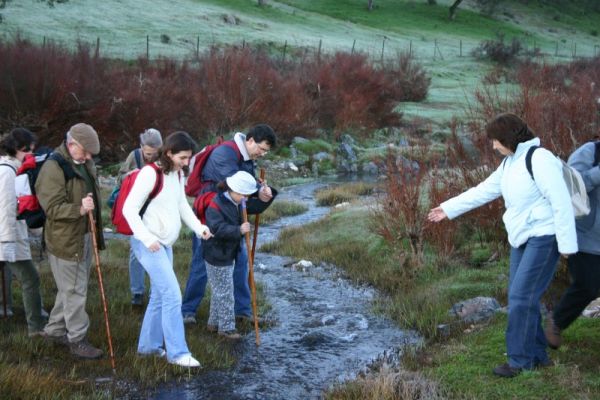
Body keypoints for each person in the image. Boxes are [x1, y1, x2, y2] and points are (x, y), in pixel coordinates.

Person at [427, 113, 577, 378]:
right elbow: (483, 190)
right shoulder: (510, 163)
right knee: (522, 297)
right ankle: (538, 356)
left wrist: (566, 244)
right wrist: (447, 209)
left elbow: (561, 201)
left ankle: (519, 361)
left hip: (544, 237)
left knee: (520, 298)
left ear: (510, 138)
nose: (493, 146)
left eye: (496, 140)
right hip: (522, 237)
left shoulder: (540, 159)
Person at [123, 131, 212, 368]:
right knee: (173, 294)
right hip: (148, 244)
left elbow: (182, 205)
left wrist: (199, 227)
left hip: (165, 244)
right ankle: (178, 353)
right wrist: (146, 237)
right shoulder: (149, 174)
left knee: (160, 297)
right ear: (169, 152)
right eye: (182, 157)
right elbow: (129, 210)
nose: (186, 162)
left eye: (188, 158)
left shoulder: (178, 174)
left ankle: (148, 348)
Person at [181, 124, 277, 325]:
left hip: (233, 216)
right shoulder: (225, 152)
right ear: (250, 140)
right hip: (210, 215)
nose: (262, 154)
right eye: (261, 149)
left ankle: (242, 311)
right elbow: (234, 182)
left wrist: (262, 189)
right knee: (201, 263)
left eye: (266, 152)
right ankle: (187, 311)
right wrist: (258, 190)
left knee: (241, 262)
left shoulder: (248, 157)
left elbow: (247, 185)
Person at [36, 123, 105, 359]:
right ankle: (77, 340)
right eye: (84, 151)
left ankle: (55, 330)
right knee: (75, 290)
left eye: (90, 154)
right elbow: (52, 209)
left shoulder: (85, 163)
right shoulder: (53, 168)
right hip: (65, 240)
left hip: (84, 235)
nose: (88, 157)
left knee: (70, 287)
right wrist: (79, 209)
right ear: (71, 143)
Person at [545, 140, 600, 349]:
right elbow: (572, 187)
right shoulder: (590, 152)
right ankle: (556, 321)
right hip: (587, 236)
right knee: (588, 285)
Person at [0, 128, 46, 335]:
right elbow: (7, 208)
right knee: (30, 278)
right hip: (7, 236)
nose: (32, 155)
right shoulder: (7, 172)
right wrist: (8, 242)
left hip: (9, 234)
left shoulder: (13, 169)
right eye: (29, 151)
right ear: (18, 149)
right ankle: (36, 328)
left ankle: (7, 310)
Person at [203, 171, 258, 340]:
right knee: (225, 292)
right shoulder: (216, 204)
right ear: (233, 190)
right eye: (244, 195)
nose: (246, 199)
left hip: (228, 253)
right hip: (216, 254)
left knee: (219, 290)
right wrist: (239, 230)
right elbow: (216, 228)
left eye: (248, 196)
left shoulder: (237, 203)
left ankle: (213, 323)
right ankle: (226, 329)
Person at [118, 128, 163, 306]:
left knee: (157, 251)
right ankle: (137, 293)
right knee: (136, 253)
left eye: (154, 153)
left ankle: (155, 293)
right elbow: (120, 177)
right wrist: (132, 176)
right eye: (147, 153)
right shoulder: (134, 156)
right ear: (141, 147)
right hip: (136, 211)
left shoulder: (165, 158)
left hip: (157, 212)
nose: (150, 157)